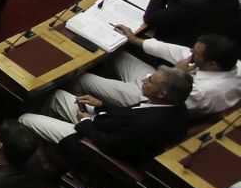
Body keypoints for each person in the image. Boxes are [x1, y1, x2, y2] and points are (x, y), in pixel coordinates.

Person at [17, 66, 191, 159]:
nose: (144, 79)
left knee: (26, 119)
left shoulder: (149, 124)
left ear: (162, 93)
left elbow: (110, 145)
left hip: (91, 143)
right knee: (57, 95)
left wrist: (85, 123)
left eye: (150, 80)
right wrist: (101, 105)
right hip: (103, 123)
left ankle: (21, 153)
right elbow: (126, 116)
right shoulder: (172, 104)